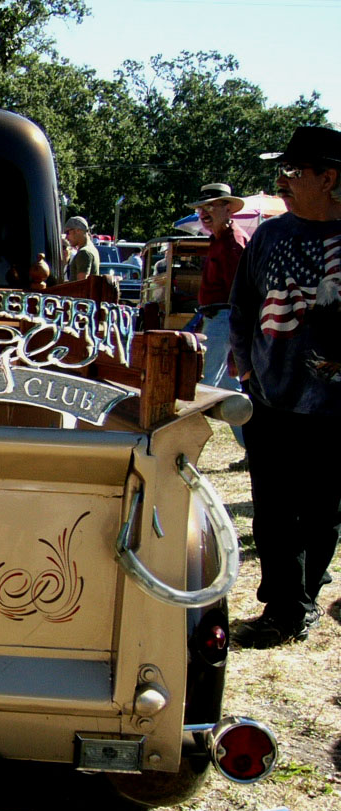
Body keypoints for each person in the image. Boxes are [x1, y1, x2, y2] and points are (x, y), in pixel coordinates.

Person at [228, 126, 341, 646]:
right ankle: (281, 610)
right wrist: (247, 367)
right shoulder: (270, 236)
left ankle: (306, 596)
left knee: (322, 511)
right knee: (273, 509)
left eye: (294, 172)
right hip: (271, 399)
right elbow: (243, 305)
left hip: (335, 408)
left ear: (329, 177)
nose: (282, 180)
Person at [185, 184, 250, 445]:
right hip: (217, 318)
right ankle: (251, 447)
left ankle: (182, 448)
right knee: (227, 390)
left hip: (225, 319)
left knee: (202, 386)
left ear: (227, 208)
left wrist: (237, 338)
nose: (204, 212)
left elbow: (241, 295)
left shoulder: (233, 243)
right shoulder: (220, 240)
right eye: (201, 208)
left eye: (210, 206)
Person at [63, 216, 99, 281]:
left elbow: (81, 285)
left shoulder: (84, 252)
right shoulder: (92, 249)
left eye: (67, 233)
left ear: (78, 230)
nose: (66, 238)